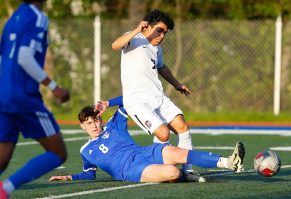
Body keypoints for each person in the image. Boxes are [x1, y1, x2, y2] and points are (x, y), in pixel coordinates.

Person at [49, 97, 245, 183]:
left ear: (100, 118)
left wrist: (108, 104)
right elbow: (89, 174)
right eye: (88, 123)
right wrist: (70, 177)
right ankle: (183, 175)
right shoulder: (86, 151)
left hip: (143, 152)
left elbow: (129, 100)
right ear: (82, 126)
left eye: (96, 120)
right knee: (173, 172)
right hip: (130, 170)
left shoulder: (113, 124)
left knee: (178, 153)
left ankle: (229, 162)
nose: (93, 125)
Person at [111, 9, 201, 180]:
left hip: (157, 97)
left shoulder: (156, 48)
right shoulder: (133, 38)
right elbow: (115, 45)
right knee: (163, 133)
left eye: (165, 33)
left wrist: (177, 85)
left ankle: (188, 172)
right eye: (159, 30)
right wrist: (137, 29)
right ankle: (163, 171)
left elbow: (162, 67)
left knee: (182, 126)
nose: (162, 35)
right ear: (147, 26)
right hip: (137, 101)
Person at [0, 0, 70, 198]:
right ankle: (5, 190)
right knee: (58, 153)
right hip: (24, 97)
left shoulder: (13, 17)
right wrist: (54, 87)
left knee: (4, 150)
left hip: (4, 94)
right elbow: (24, 57)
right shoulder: (38, 17)